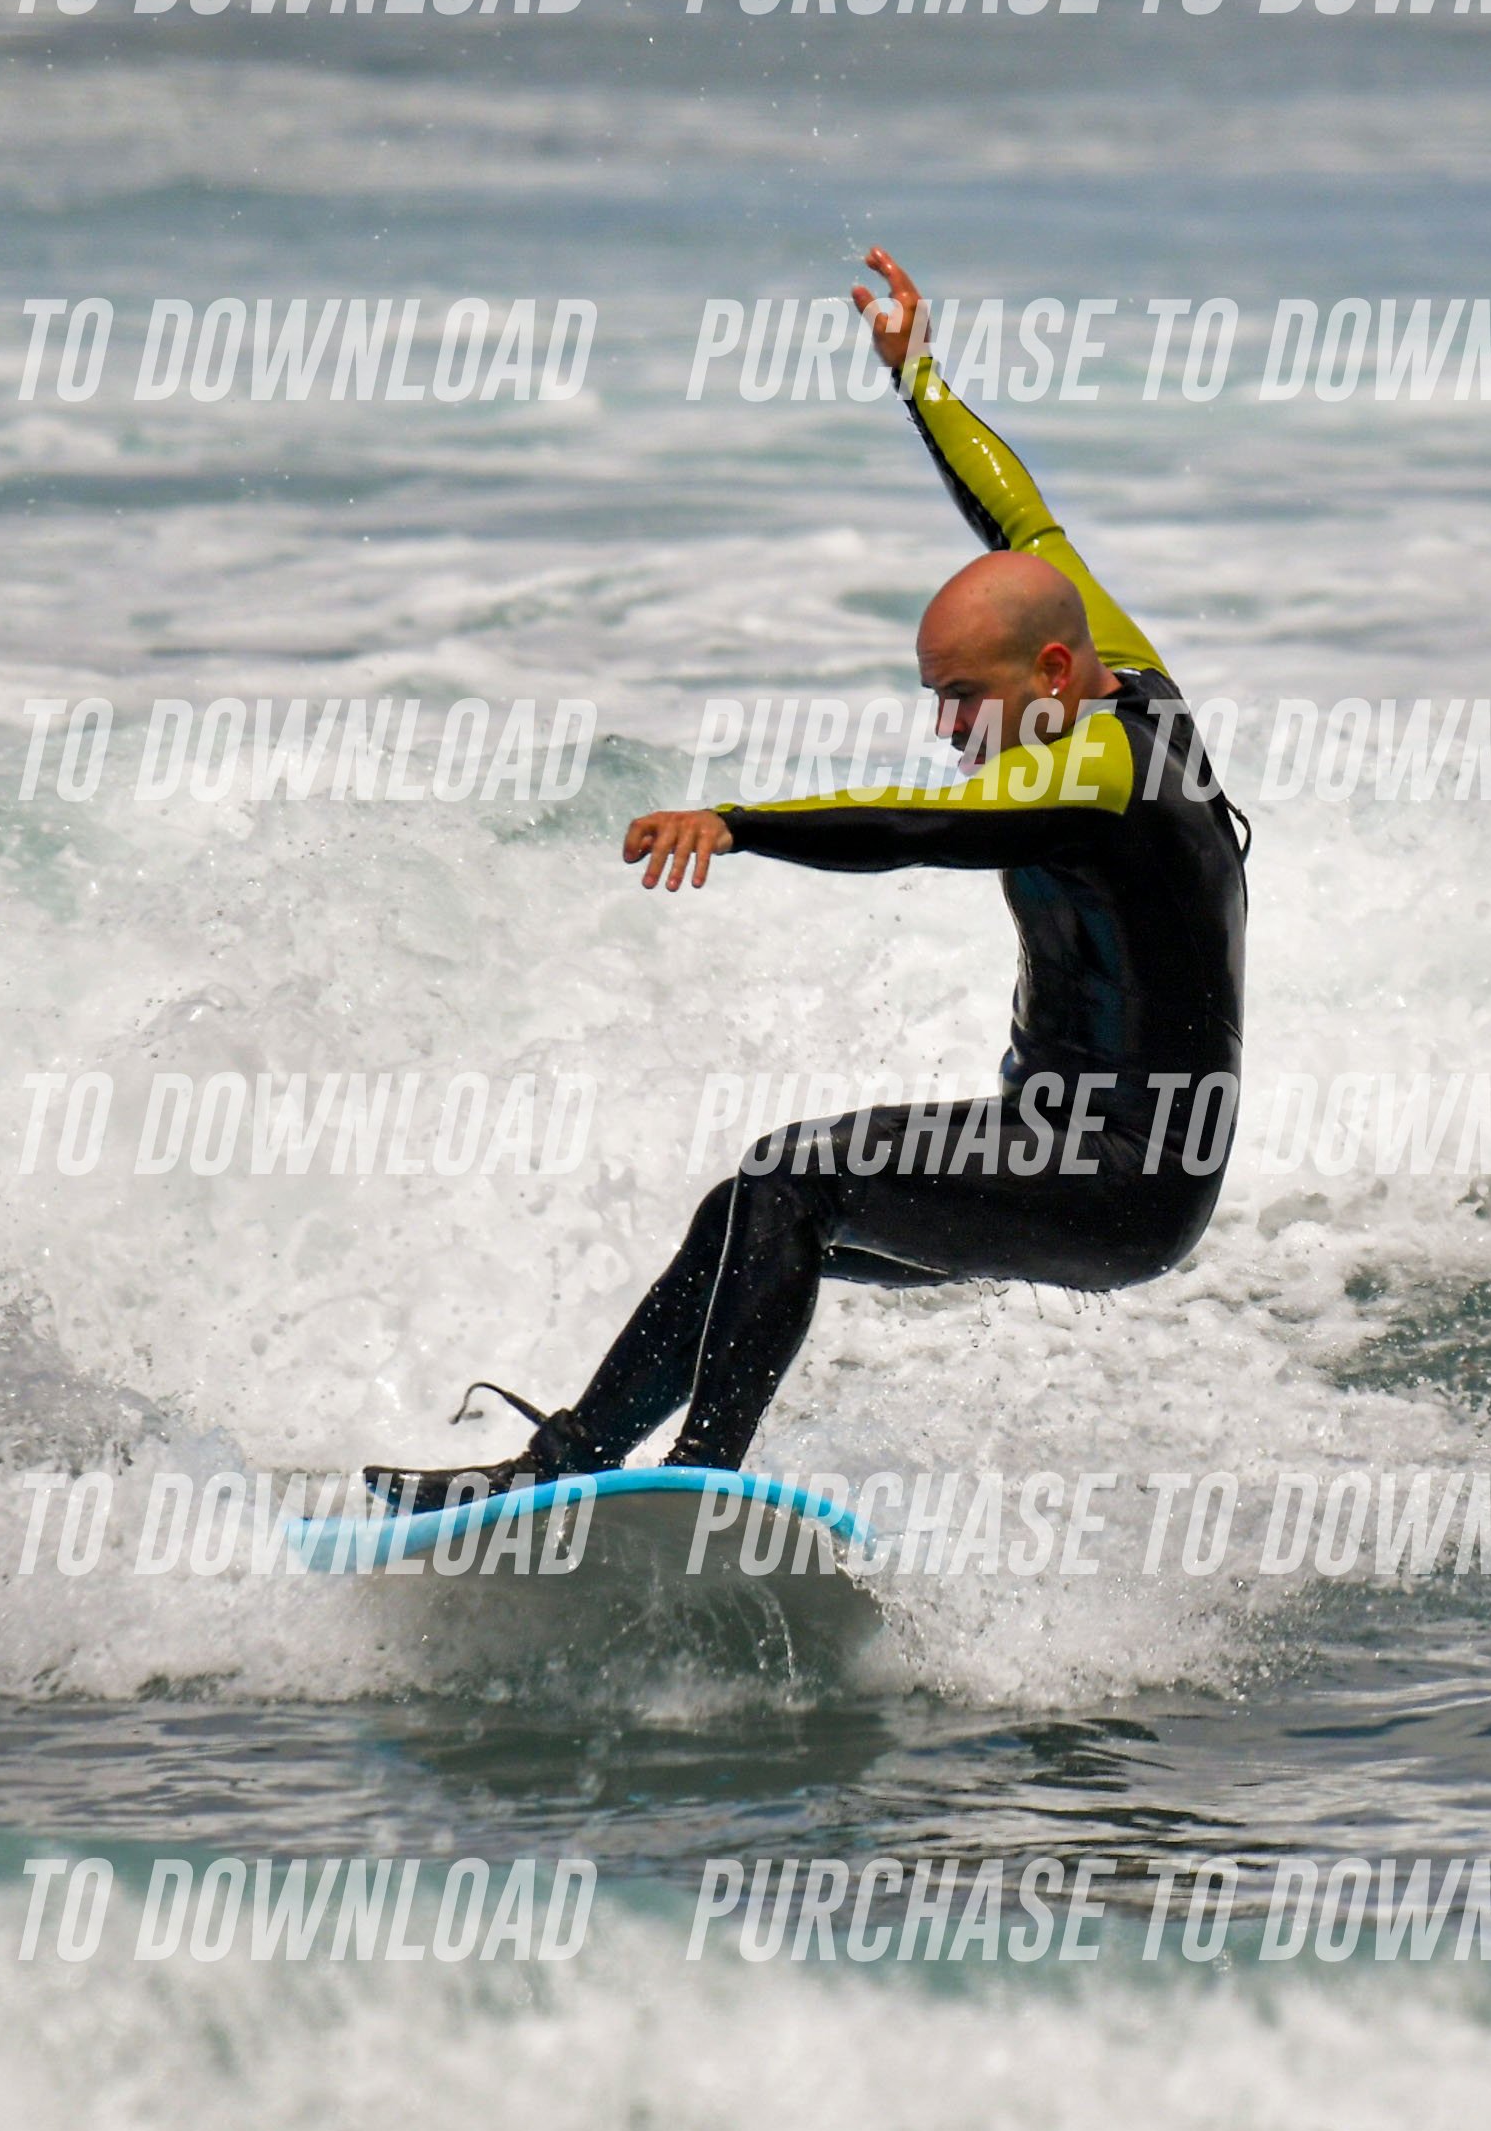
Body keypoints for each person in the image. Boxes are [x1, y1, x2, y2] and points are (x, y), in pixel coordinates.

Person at [367, 248, 1250, 1509]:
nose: (948, 727)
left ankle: (697, 1490)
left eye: (965, 697)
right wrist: (918, 377)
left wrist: (735, 822)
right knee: (754, 1206)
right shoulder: (1102, 669)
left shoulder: (1098, 771)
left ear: (1055, 671)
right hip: (1052, 1143)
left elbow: (907, 824)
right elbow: (1022, 519)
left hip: (1124, 1182)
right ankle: (560, 1473)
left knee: (795, 1177)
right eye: (937, 696)